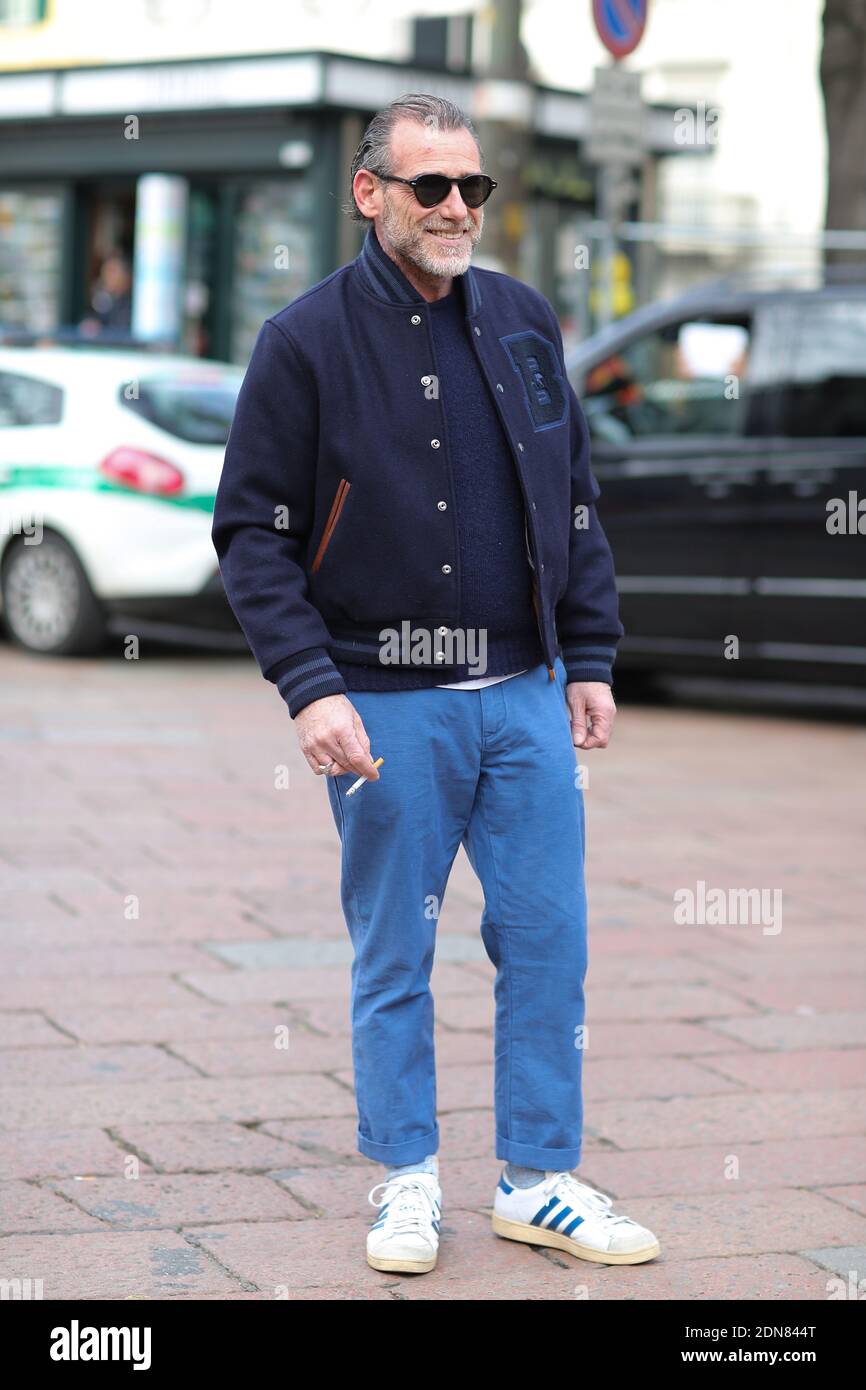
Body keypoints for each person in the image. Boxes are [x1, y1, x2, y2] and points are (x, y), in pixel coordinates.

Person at [212, 93, 660, 1276]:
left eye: (473, 188)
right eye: (432, 188)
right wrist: (308, 687)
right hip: (381, 702)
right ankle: (405, 1180)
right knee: (394, 953)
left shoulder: (520, 320)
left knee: (546, 939)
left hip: (521, 692)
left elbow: (571, 495)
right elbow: (251, 532)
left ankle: (537, 1179)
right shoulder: (302, 341)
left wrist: (591, 653)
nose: (457, 207)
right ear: (371, 193)